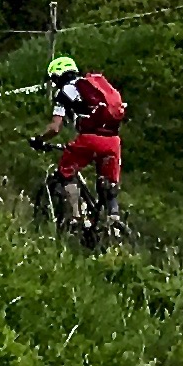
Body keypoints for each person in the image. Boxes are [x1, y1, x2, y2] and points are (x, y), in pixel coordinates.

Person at [41, 51, 128, 233]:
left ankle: (76, 217)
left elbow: (55, 128)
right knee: (109, 183)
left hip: (89, 139)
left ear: (57, 76)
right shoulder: (95, 86)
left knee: (66, 171)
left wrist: (39, 139)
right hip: (113, 140)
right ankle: (114, 219)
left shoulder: (65, 92)